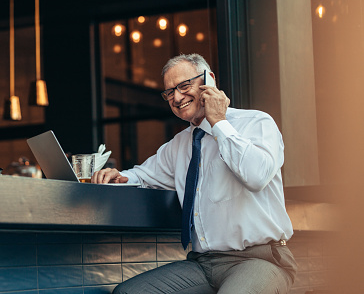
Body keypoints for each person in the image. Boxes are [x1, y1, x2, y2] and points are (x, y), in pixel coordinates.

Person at [91, 54, 297, 294]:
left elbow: (257, 176)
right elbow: (143, 175)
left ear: (209, 80)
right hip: (203, 264)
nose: (177, 97)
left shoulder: (257, 123)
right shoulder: (179, 145)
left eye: (184, 86)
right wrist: (120, 177)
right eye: (169, 92)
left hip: (261, 259)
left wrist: (219, 122)